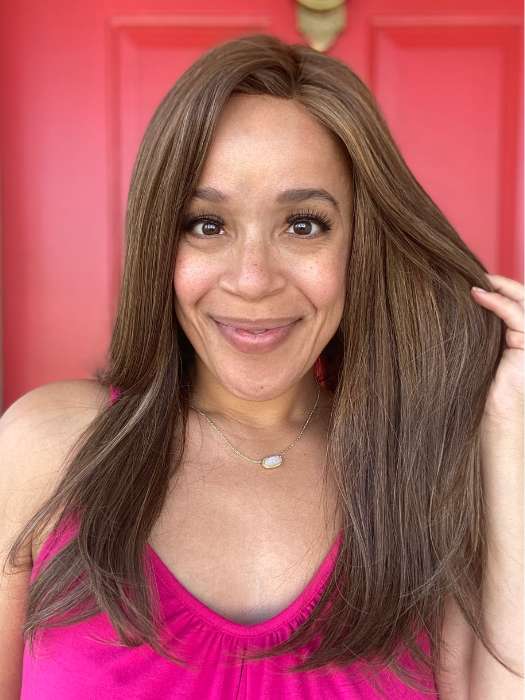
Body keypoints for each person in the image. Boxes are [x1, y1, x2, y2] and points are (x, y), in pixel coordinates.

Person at [0, 33, 508, 699]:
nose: (252, 279)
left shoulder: (425, 469)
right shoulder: (48, 448)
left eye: (304, 225)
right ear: (160, 242)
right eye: (206, 225)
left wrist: (508, 426)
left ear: (361, 244)